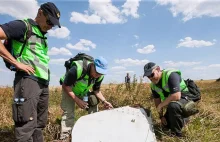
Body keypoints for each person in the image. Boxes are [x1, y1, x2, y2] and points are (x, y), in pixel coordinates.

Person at [0, 2, 61, 142]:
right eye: (49, 21)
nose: (51, 26)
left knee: (39, 124)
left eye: (53, 24)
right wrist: (15, 62)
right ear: (40, 13)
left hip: (43, 83)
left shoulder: (42, 35)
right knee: (26, 124)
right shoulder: (23, 26)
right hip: (28, 80)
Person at [59, 56, 113, 140]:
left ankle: (92, 129)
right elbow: (65, 85)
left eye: (101, 73)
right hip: (69, 89)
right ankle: (65, 136)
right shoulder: (77, 69)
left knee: (94, 100)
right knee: (69, 112)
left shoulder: (99, 76)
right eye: (97, 71)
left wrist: (104, 101)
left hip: (82, 91)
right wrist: (77, 100)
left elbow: (96, 90)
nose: (97, 75)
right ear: (92, 65)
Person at [143, 62, 192, 137]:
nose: (150, 78)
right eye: (148, 76)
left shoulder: (171, 75)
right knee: (166, 125)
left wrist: (161, 105)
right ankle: (184, 119)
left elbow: (176, 96)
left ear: (158, 69)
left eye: (152, 75)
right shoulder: (153, 86)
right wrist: (161, 117)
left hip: (185, 98)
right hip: (172, 103)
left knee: (173, 106)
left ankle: (177, 134)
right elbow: (157, 101)